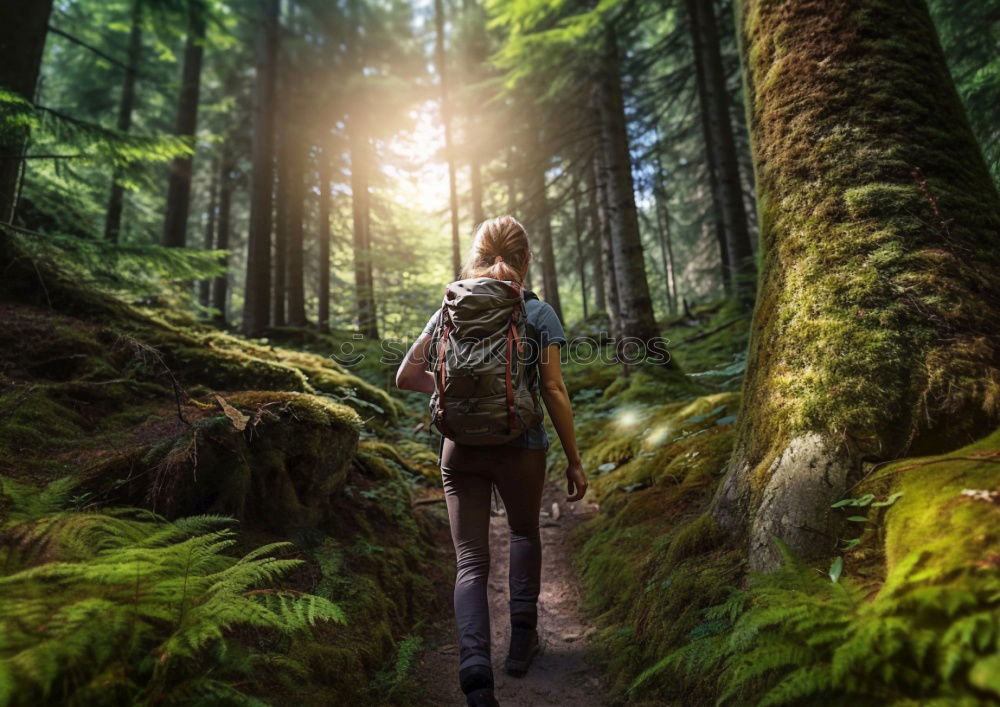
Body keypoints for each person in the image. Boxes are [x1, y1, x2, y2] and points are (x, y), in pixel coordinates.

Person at [396, 215, 587, 707]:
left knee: (471, 561)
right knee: (524, 533)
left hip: (460, 449)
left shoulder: (450, 308)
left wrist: (455, 392)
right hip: (521, 446)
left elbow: (406, 376)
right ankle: (522, 642)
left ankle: (475, 672)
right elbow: (553, 390)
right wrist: (574, 459)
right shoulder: (537, 312)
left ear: (476, 256)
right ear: (526, 259)